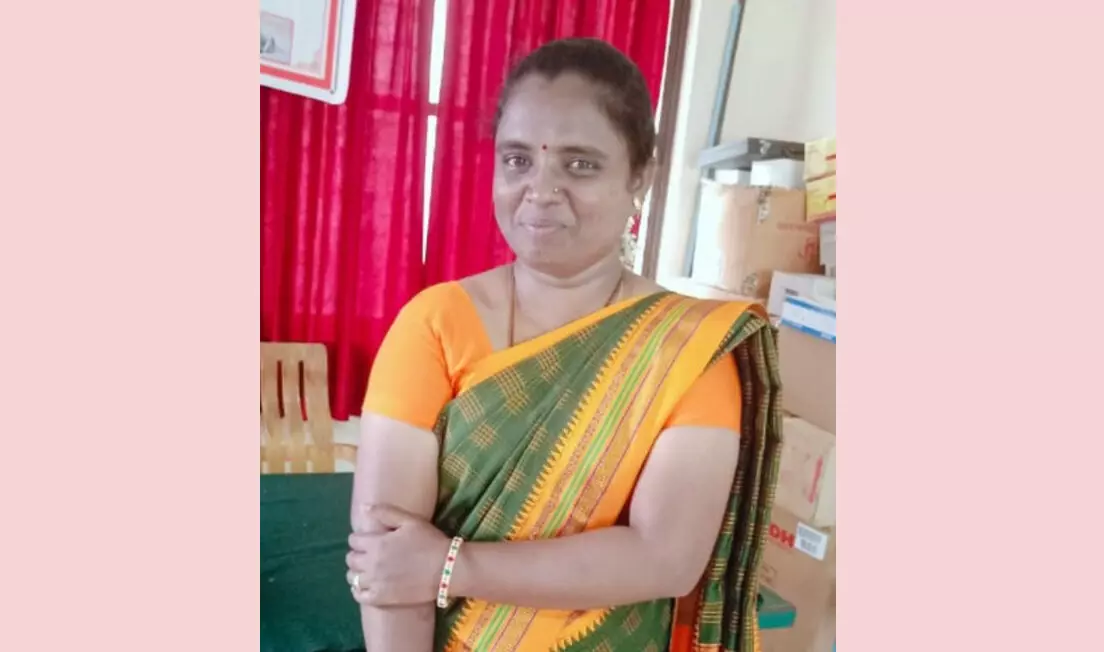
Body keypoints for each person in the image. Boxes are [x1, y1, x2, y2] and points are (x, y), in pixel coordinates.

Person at [345, 37, 781, 652]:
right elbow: (388, 562)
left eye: (580, 165)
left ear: (640, 178)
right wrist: (417, 571)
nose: (540, 189)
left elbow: (665, 557)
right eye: (517, 159)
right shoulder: (434, 323)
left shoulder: (685, 349)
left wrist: (449, 566)